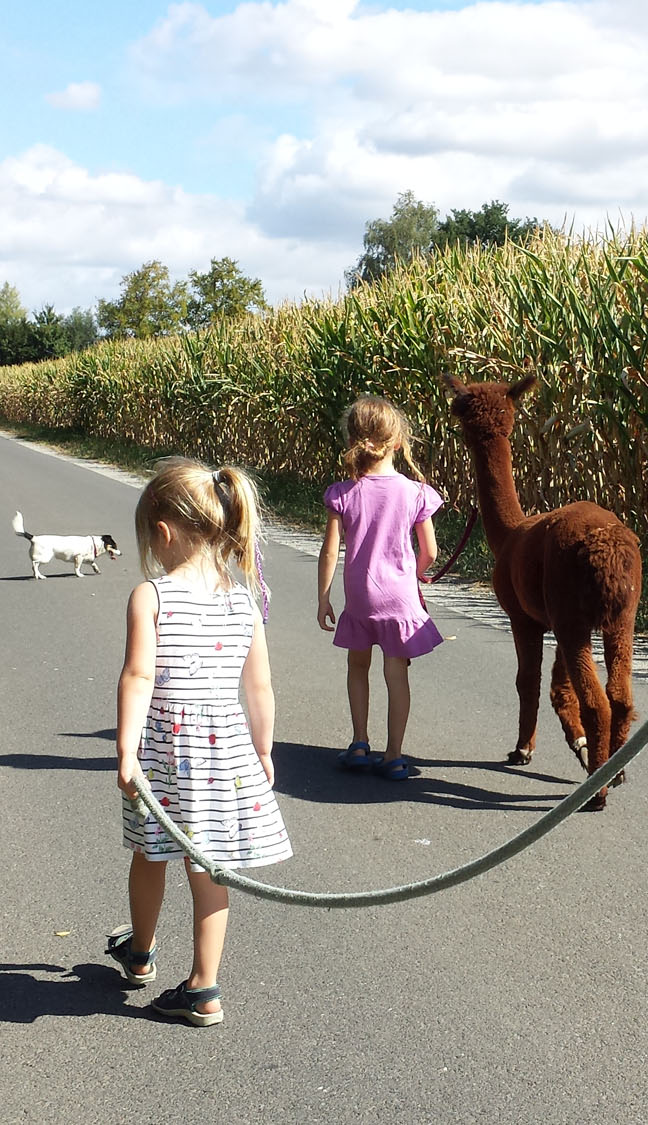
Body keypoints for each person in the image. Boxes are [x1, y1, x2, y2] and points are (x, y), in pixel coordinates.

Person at [107, 457, 291, 1027]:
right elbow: (258, 685)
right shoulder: (245, 600)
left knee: (150, 850)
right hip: (227, 751)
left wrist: (127, 748)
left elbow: (139, 676)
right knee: (210, 868)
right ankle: (203, 987)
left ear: (162, 533)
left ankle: (140, 954)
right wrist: (262, 750)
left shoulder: (152, 597)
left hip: (168, 752)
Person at [315, 395, 445, 781]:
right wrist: (417, 572)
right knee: (396, 674)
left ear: (353, 440)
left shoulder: (342, 493)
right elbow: (431, 551)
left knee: (358, 667)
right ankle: (394, 754)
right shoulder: (415, 492)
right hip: (400, 599)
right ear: (398, 442)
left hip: (360, 597)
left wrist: (323, 596)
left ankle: (358, 742)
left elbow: (329, 550)